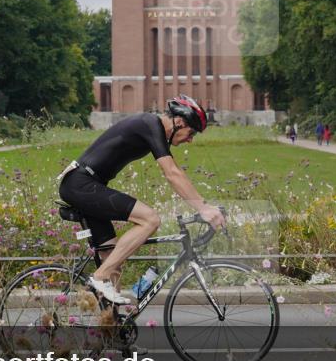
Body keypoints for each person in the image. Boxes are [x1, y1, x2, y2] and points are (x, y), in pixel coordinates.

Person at [57, 94, 225, 304]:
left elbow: (175, 173)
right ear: (179, 122)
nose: (190, 139)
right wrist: (203, 208)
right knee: (150, 219)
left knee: (113, 261)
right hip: (80, 184)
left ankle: (111, 329)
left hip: (85, 186)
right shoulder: (150, 123)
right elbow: (172, 173)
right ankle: (99, 278)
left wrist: (201, 204)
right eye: (191, 133)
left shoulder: (153, 131)